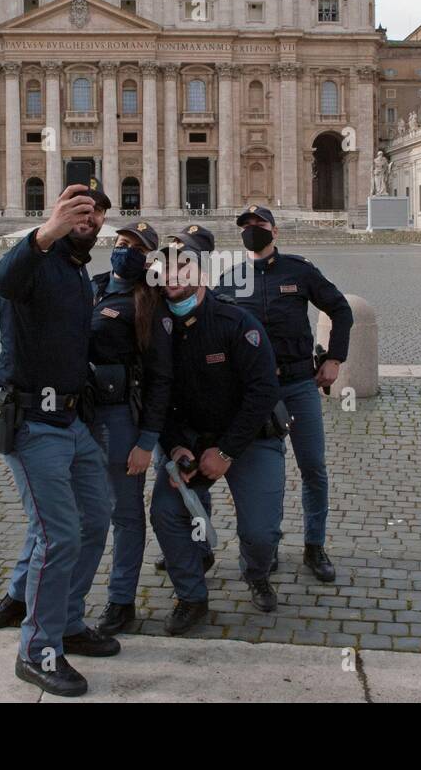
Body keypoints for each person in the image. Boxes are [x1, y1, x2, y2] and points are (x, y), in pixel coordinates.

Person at [0, 181, 118, 698]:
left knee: (97, 516)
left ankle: (66, 621)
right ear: (56, 212)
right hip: (32, 421)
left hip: (72, 421)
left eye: (97, 212)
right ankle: (37, 650)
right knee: (57, 534)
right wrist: (45, 233)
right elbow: (3, 278)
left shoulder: (79, 271)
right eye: (78, 209)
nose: (89, 218)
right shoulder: (35, 258)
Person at [150, 225, 286, 635]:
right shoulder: (155, 329)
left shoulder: (235, 321)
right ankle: (191, 595)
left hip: (250, 438)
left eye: (183, 268)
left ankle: (256, 570)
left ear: (202, 274)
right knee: (165, 513)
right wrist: (174, 447)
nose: (173, 277)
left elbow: (264, 391)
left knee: (260, 532)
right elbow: (156, 395)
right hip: (191, 441)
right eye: (166, 269)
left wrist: (225, 452)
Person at [216, 205, 353, 582]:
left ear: (275, 232)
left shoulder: (300, 270)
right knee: (267, 476)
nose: (252, 230)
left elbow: (341, 310)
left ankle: (314, 545)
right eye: (245, 226)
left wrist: (335, 358)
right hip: (256, 394)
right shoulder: (229, 279)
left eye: (258, 224)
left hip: (298, 384)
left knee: (313, 468)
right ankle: (267, 546)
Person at [88, 221, 174, 636]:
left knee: (124, 513)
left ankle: (121, 600)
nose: (125, 250)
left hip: (120, 416)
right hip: (77, 415)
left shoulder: (149, 302)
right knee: (78, 512)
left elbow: (160, 379)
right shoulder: (91, 286)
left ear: (148, 257)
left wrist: (146, 441)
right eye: (121, 243)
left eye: (135, 247)